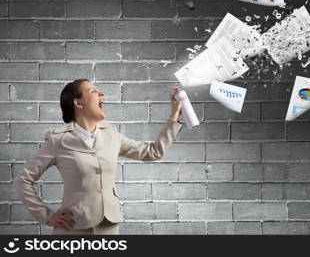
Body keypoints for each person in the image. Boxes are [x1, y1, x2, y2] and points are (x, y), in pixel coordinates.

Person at [13, 79, 184, 235]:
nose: (101, 93)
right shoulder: (58, 140)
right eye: (93, 91)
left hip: (108, 226)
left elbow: (152, 152)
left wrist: (174, 114)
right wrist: (46, 216)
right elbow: (23, 179)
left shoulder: (112, 135)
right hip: (72, 228)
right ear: (78, 103)